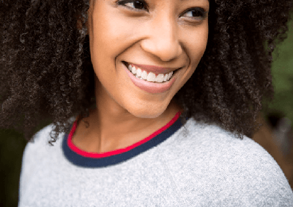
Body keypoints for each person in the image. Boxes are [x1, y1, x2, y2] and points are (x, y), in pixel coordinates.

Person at [1, 0, 293, 206]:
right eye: (136, 3)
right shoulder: (42, 153)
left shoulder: (242, 178)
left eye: (193, 12)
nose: (166, 47)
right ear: (81, 12)